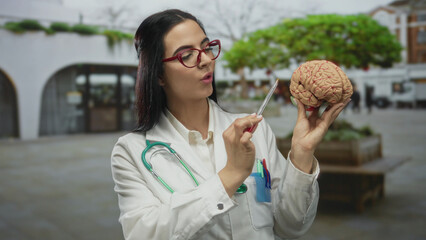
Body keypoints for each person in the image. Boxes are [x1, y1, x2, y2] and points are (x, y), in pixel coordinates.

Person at [111, 9, 350, 240]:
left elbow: (291, 227)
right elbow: (143, 233)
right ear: (158, 75)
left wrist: (301, 154)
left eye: (206, 48)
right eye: (186, 55)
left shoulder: (254, 129)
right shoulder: (130, 152)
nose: (205, 60)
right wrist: (231, 175)